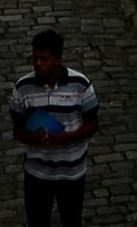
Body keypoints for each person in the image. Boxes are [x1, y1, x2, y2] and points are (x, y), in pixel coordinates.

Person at [9, 28, 99, 227]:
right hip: (37, 172)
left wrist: (66, 137)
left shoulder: (80, 85)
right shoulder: (22, 88)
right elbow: (17, 130)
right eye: (35, 58)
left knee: (71, 219)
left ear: (58, 59)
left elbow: (93, 124)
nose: (38, 64)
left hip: (72, 172)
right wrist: (34, 138)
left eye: (44, 59)